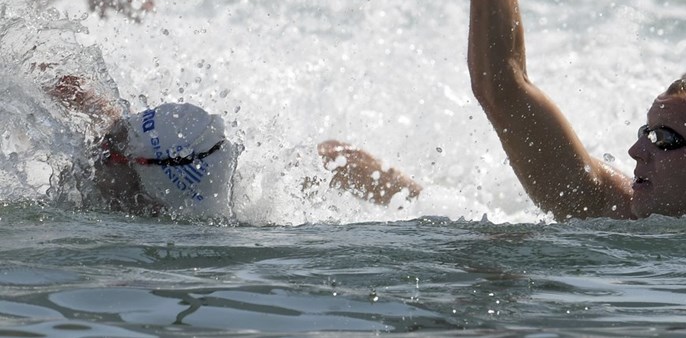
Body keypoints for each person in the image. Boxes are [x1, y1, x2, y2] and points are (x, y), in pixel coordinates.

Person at [467, 0, 686, 226]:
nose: (635, 152)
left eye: (663, 140)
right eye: (644, 134)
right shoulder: (607, 208)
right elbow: (501, 86)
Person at [49, 74, 421, 218]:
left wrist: (430, 206)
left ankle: (421, 199)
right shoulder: (123, 139)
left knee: (324, 162)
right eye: (112, 144)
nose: (103, 151)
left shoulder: (221, 212)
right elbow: (68, 86)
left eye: (113, 152)